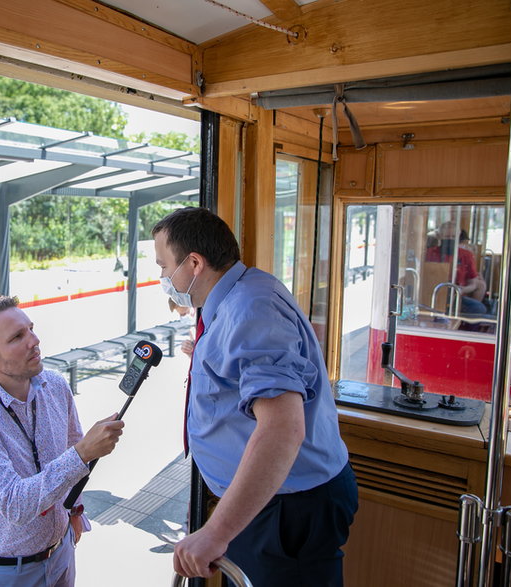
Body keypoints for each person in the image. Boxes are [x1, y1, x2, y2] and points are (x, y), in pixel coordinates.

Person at [152, 207, 357, 586]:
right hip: (270, 501)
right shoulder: (240, 295)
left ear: (194, 263)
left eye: (164, 266)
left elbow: (283, 428)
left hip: (285, 510)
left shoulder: (250, 310)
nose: (163, 277)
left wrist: (216, 532)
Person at [0, 295, 125, 586]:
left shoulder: (54, 385)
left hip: (60, 553)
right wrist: (82, 453)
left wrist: (75, 509)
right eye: (18, 336)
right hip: (3, 573)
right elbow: (15, 505)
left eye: (31, 328)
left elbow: (70, 445)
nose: (34, 340)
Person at [425, 221, 488, 314]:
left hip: (456, 296)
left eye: (453, 237)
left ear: (458, 237)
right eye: (447, 237)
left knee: (479, 308)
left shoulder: (467, 255)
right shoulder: (429, 253)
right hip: (433, 294)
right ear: (439, 237)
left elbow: (473, 284)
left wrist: (461, 290)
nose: (450, 239)